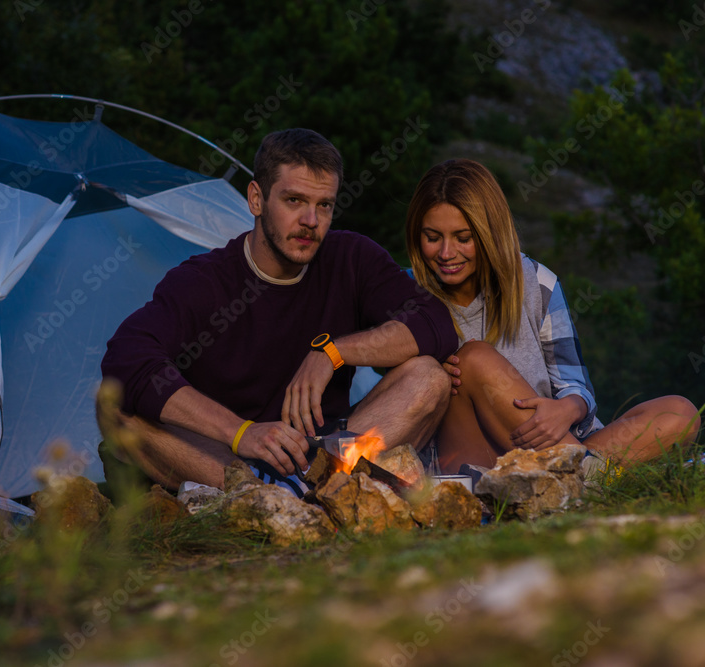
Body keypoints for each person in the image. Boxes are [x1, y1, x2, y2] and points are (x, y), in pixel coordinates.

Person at [99, 128, 458, 498]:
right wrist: (239, 432)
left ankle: (310, 491)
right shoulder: (203, 281)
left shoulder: (351, 260)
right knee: (114, 408)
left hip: (323, 454)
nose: (310, 220)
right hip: (225, 458)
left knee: (429, 377)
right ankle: (264, 495)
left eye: (324, 205)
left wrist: (332, 352)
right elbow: (127, 360)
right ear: (256, 199)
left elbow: (434, 323)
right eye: (294, 200)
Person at [405, 159, 700, 472]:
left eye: (463, 238)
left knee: (679, 413)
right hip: (476, 461)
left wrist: (568, 409)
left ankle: (579, 476)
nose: (446, 253)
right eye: (432, 238)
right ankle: (586, 476)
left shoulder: (536, 282)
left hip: (551, 444)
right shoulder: (404, 295)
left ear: (490, 232)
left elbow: (574, 383)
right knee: (474, 359)